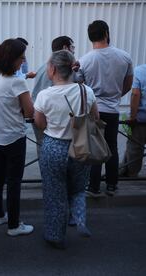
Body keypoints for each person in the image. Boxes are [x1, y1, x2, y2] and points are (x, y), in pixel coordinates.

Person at [35, 50, 99, 249]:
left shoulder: (44, 95)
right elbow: (95, 118)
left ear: (53, 69)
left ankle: (55, 235)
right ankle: (78, 219)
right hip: (80, 146)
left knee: (55, 192)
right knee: (78, 187)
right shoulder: (85, 91)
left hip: (54, 147)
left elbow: (39, 123)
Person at [0, 39, 34, 234]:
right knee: (14, 181)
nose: (23, 62)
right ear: (12, 59)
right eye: (21, 58)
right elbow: (29, 112)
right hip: (13, 137)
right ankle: (14, 225)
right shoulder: (18, 81)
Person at [77, 20, 133, 196]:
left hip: (94, 111)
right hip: (113, 109)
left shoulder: (84, 60)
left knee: (94, 147)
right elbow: (128, 84)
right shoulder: (124, 56)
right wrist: (116, 96)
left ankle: (93, 187)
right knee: (112, 147)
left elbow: (80, 87)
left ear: (90, 37)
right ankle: (111, 185)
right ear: (106, 33)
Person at [32, 36, 76, 156]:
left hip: (41, 115)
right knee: (47, 149)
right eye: (72, 47)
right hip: (47, 119)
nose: (74, 50)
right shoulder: (57, 70)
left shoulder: (44, 67)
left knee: (43, 147)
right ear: (65, 48)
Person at [121, 64, 146, 177]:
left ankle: (131, 174)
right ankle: (124, 168)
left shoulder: (140, 70)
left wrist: (132, 117)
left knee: (134, 147)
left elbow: (135, 93)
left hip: (140, 118)